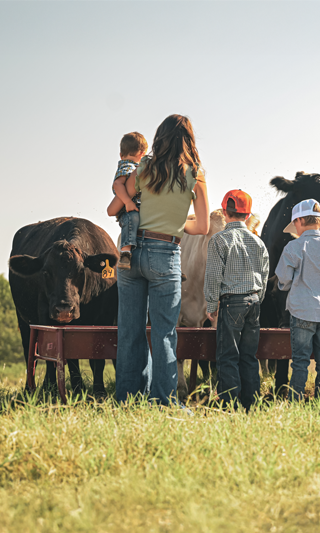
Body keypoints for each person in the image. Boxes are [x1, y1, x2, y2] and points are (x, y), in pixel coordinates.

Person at [115, 115, 210, 406]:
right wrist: (178, 223)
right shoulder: (195, 173)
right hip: (165, 253)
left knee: (130, 329)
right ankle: (163, 401)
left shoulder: (145, 166)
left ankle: (129, 399)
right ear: (189, 140)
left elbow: (123, 200)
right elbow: (203, 227)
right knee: (164, 333)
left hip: (131, 252)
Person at [203, 190, 270, 411]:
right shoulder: (258, 242)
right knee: (249, 356)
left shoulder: (218, 240)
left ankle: (230, 406)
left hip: (231, 303)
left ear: (224, 212)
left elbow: (213, 275)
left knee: (227, 356)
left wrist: (211, 305)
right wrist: (257, 299)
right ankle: (251, 405)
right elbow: (265, 274)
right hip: (254, 301)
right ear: (248, 214)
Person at [275, 199, 320, 401]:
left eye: (295, 223)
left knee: (300, 361)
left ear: (299, 221)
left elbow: (284, 279)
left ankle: (296, 401)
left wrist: (286, 286)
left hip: (301, 311)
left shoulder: (294, 247)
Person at [106, 132, 148, 270]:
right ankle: (125, 252)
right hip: (127, 210)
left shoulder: (135, 167)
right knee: (132, 219)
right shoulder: (127, 166)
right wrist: (128, 202)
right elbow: (118, 185)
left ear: (121, 154)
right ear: (142, 154)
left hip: (137, 207)